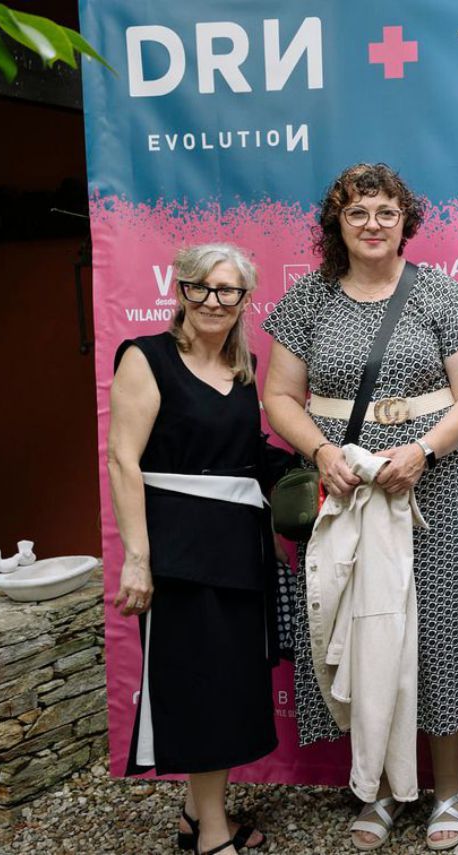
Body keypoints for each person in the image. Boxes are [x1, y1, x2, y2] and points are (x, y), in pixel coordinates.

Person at [261, 163, 458, 851]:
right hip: (345, 493)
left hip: (437, 489)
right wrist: (320, 452)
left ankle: (448, 788)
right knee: (361, 635)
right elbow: (279, 396)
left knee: (441, 631)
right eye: (358, 212)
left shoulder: (440, 295)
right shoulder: (307, 300)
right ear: (336, 223)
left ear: (405, 222)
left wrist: (423, 451)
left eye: (386, 212)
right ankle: (380, 788)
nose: (373, 224)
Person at [108, 243, 276, 855]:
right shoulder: (146, 358)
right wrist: (138, 558)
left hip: (238, 552)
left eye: (226, 290)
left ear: (244, 299)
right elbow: (122, 460)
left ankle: (194, 815)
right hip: (179, 554)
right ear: (179, 290)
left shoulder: (245, 367)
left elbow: (247, 458)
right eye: (199, 287)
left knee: (226, 689)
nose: (212, 300)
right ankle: (211, 834)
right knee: (200, 690)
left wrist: (324, 465)